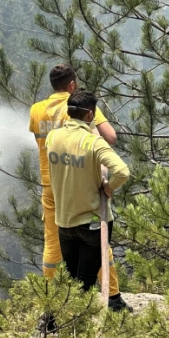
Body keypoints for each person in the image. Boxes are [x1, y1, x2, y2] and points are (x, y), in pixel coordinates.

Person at [29, 64, 129, 312]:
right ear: (72, 85)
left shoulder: (37, 110)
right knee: (98, 237)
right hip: (80, 183)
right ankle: (112, 297)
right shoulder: (80, 107)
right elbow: (109, 136)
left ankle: (52, 302)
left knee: (53, 244)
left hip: (52, 183)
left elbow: (40, 141)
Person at [45, 90, 130, 296]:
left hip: (64, 222)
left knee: (70, 276)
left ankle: (53, 321)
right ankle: (60, 322)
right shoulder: (92, 142)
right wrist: (108, 187)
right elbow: (122, 171)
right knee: (85, 283)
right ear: (90, 116)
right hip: (92, 223)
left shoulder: (52, 137)